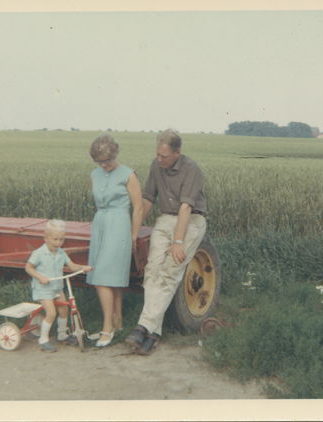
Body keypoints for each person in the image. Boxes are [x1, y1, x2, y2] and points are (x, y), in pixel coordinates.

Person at [125, 129, 207, 355]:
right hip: (165, 219)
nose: (159, 160)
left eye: (164, 156)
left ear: (178, 152)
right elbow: (148, 199)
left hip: (190, 221)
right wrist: (134, 230)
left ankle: (144, 326)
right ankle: (153, 332)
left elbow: (186, 208)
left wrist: (178, 241)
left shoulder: (192, 170)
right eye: (157, 155)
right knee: (152, 270)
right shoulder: (156, 166)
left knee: (171, 269)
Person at [87, 134, 143, 347]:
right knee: (108, 277)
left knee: (103, 277)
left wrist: (134, 234)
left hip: (120, 225)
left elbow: (137, 207)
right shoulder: (94, 174)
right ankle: (118, 322)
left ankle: (107, 329)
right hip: (100, 223)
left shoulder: (128, 175)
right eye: (100, 162)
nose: (105, 165)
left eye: (108, 161)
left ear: (115, 155)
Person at [25, 220, 92, 352]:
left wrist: (83, 268)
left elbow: (71, 265)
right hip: (43, 289)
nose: (58, 243)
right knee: (51, 313)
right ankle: (43, 339)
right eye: (55, 239)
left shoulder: (61, 252)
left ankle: (62, 334)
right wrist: (40, 277)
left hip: (57, 287)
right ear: (46, 238)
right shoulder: (39, 253)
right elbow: (28, 267)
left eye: (61, 239)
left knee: (64, 310)